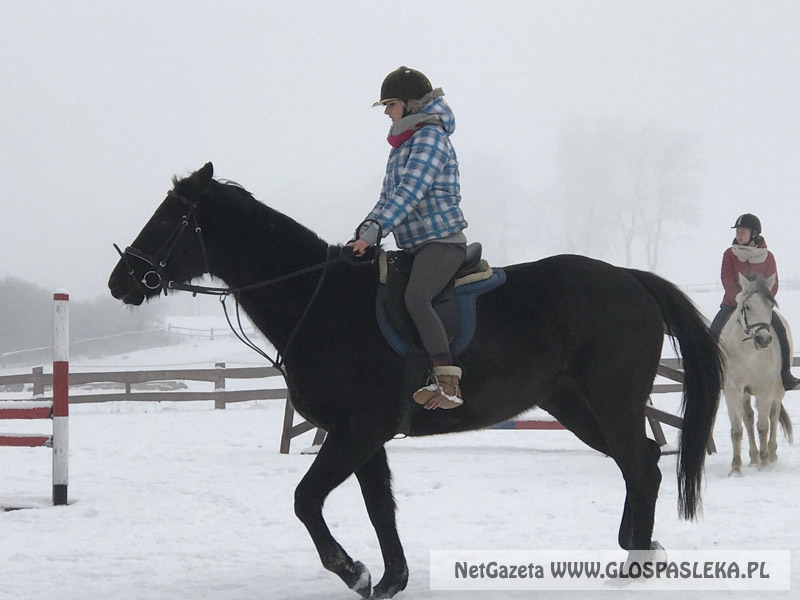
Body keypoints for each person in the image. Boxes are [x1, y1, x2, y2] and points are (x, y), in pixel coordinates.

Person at [347, 66, 468, 410]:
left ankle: (447, 381)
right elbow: (386, 197)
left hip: (442, 242)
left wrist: (376, 231)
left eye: (390, 104)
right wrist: (364, 232)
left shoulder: (431, 138)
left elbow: (410, 192)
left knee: (417, 297)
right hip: (414, 244)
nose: (386, 112)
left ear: (411, 103)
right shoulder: (404, 144)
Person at [709, 213, 800, 390]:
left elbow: (773, 282)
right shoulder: (730, 254)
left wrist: (762, 301)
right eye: (737, 232)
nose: (739, 235)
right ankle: (710, 374)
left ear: (754, 233)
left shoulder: (768, 257)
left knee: (780, 331)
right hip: (732, 304)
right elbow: (726, 279)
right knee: (713, 333)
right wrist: (739, 297)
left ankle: (785, 374)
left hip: (759, 309)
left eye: (743, 231)